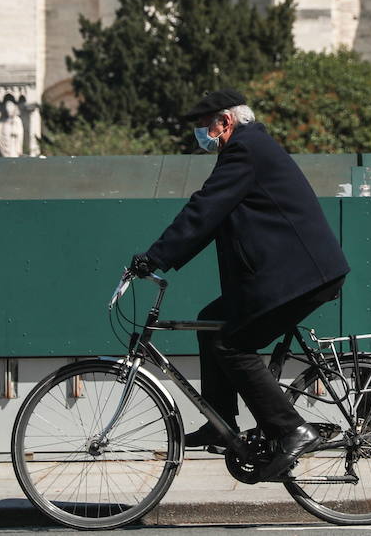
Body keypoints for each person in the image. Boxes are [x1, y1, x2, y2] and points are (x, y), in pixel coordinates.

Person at [129, 89, 350, 480]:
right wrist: (163, 256)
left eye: (203, 128)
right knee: (211, 320)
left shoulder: (245, 151)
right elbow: (211, 218)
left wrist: (155, 257)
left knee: (232, 342)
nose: (201, 136)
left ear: (225, 122)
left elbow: (205, 208)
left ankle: (292, 430)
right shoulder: (249, 149)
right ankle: (221, 421)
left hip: (300, 275)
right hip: (290, 273)